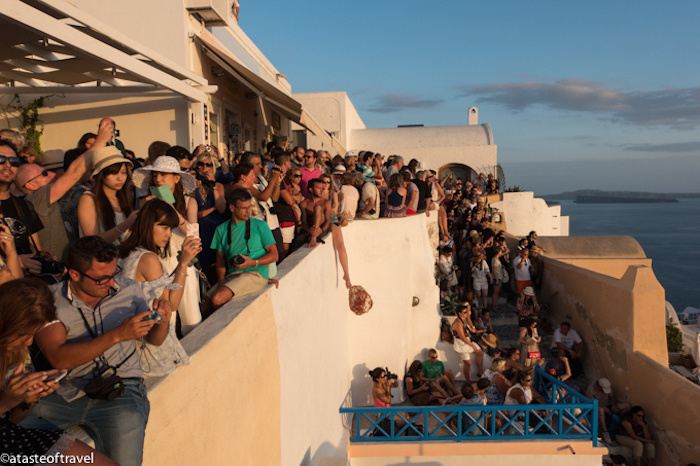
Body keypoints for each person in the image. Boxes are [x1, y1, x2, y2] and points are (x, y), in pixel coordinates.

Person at [22, 236, 171, 466]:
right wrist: (117, 335)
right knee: (12, 435)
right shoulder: (49, 300)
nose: (111, 283)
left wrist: (163, 321)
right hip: (66, 393)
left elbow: (155, 340)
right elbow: (58, 357)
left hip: (122, 389)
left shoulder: (129, 290)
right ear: (74, 274)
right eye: (102, 279)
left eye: (113, 274)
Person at [0, 278, 117, 465]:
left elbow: (11, 421)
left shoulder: (14, 350)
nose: (29, 342)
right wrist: (5, 402)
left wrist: (29, 398)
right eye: (23, 334)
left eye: (34, 334)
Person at [15, 119, 112, 260]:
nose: (52, 174)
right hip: (60, 270)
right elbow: (73, 173)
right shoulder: (36, 198)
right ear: (31, 185)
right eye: (44, 174)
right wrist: (100, 141)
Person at [118, 197, 201, 350]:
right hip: (149, 343)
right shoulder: (148, 258)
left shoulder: (127, 249)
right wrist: (183, 264)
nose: (169, 234)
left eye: (170, 228)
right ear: (148, 225)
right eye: (164, 227)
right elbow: (172, 304)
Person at [132, 156, 201, 335]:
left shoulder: (188, 202)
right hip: (156, 265)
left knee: (191, 319)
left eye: (164, 175)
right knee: (165, 321)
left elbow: (194, 235)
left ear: (176, 178)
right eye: (155, 175)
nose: (159, 179)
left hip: (182, 262)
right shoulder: (146, 203)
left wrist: (172, 210)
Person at [207, 188, 278, 310]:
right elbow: (220, 260)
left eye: (249, 207)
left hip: (255, 274)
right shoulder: (222, 229)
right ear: (232, 208)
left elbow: (274, 255)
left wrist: (252, 262)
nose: (248, 211)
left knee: (217, 298)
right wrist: (221, 282)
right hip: (232, 276)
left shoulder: (260, 225)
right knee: (204, 306)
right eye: (243, 208)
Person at [0, 139, 45, 274]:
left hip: (26, 287)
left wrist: (45, 261)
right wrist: (15, 261)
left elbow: (36, 249)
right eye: (1, 159)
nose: (8, 165)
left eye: (14, 161)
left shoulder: (24, 205)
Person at [77, 146, 137, 244]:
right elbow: (92, 242)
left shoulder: (122, 197)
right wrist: (126, 224)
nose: (120, 178)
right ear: (101, 174)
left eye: (123, 172)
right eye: (114, 173)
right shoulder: (88, 199)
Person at [194, 151, 226, 274]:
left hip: (215, 227)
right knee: (202, 266)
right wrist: (213, 209)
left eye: (208, 165)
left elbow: (222, 208)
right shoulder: (193, 185)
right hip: (200, 228)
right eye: (201, 164)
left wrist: (213, 186)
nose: (204, 168)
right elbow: (193, 213)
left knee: (217, 262)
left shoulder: (218, 185)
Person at [586, 377, 631, 444]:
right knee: (600, 410)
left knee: (627, 406)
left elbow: (611, 396)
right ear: (598, 386)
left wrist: (613, 405)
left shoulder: (607, 386)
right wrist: (604, 409)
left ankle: (617, 422)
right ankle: (605, 431)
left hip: (607, 406)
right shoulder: (591, 390)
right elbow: (592, 404)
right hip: (596, 409)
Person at [452, 304, 484, 380]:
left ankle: (480, 373)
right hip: (461, 344)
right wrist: (472, 346)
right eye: (465, 312)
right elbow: (462, 337)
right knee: (468, 363)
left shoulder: (463, 319)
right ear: (459, 313)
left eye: (467, 312)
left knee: (480, 353)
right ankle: (468, 380)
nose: (467, 314)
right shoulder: (458, 323)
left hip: (466, 341)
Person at [300, 178, 331, 248]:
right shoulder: (304, 203)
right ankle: (313, 235)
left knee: (317, 208)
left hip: (321, 227)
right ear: (311, 189)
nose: (321, 191)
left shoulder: (326, 202)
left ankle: (313, 238)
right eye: (318, 188)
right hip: (310, 228)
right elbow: (304, 222)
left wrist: (321, 230)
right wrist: (309, 230)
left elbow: (327, 220)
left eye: (322, 188)